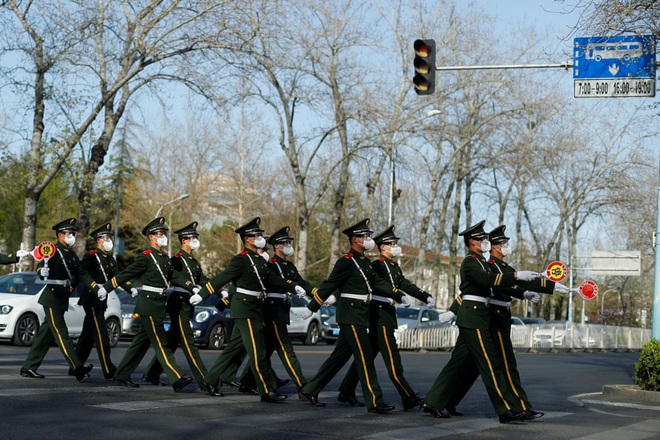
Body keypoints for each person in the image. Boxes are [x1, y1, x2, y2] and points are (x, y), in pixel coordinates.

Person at [421, 220, 541, 424]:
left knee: (457, 364)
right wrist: (517, 275)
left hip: (477, 316)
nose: (486, 241)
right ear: (472, 242)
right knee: (490, 363)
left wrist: (528, 288)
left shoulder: (482, 262)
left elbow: (500, 283)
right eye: (482, 238)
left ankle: (434, 402)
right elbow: (488, 281)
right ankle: (504, 409)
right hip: (473, 317)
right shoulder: (470, 262)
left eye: (486, 238)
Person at [443, 224, 569, 420]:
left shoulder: (497, 266)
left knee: (467, 366)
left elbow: (519, 282)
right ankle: (513, 407)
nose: (506, 245)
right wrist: (452, 311)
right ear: (493, 246)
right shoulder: (486, 265)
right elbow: (471, 290)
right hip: (490, 319)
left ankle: (442, 401)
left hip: (493, 317)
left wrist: (549, 287)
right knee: (495, 366)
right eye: (502, 243)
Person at [190, 217, 308, 402]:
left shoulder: (259, 260)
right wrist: (203, 294)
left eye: (261, 234)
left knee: (234, 348)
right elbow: (222, 278)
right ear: (247, 239)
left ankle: (210, 380)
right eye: (257, 235)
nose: (261, 237)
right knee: (257, 350)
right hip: (244, 309)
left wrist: (293, 287)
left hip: (255, 309)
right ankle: (266, 390)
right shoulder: (241, 260)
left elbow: (273, 279)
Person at [299, 218, 405, 414]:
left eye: (368, 235)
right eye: (365, 236)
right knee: (365, 357)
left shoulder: (365, 262)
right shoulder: (346, 262)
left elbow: (378, 284)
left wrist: (399, 295)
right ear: (355, 239)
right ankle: (374, 401)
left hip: (359, 314)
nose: (369, 239)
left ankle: (310, 389)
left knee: (338, 357)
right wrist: (313, 306)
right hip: (350, 315)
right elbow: (329, 285)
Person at [335, 225, 433, 411]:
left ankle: (346, 390)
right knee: (392, 359)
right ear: (383, 247)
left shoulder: (393, 266)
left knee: (366, 358)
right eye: (392, 243)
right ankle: (407, 395)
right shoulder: (377, 265)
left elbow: (405, 284)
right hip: (379, 315)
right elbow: (373, 285)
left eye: (396, 242)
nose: (396, 246)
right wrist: (398, 295)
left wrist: (425, 296)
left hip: (384, 315)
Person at [97, 217, 195, 393]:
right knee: (160, 341)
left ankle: (121, 374)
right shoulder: (146, 257)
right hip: (148, 304)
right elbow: (126, 274)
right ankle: (176, 376)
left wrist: (193, 288)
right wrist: (106, 287)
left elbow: (175, 277)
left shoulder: (164, 258)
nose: (163, 236)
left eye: (164, 233)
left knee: (140, 343)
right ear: (151, 237)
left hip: (158, 304)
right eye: (160, 234)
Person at [237, 226, 314, 396]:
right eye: (285, 243)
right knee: (286, 350)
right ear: (277, 246)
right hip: (271, 311)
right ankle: (303, 385)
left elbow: (302, 283)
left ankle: (247, 381)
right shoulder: (270, 265)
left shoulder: (289, 266)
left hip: (281, 311)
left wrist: (318, 295)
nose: (288, 245)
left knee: (264, 350)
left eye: (289, 242)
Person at [20, 218, 99, 381]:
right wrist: (42, 272)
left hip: (62, 297)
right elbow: (42, 265)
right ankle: (77, 367)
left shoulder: (71, 254)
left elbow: (81, 274)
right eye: (69, 233)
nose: (71, 236)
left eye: (73, 233)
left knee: (45, 335)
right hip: (52, 298)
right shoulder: (53, 250)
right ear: (60, 235)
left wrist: (97, 288)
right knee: (62, 333)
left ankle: (28, 367)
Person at [141, 222, 214, 390]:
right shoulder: (176, 259)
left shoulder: (193, 261)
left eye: (196, 237)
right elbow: (173, 278)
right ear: (184, 241)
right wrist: (192, 287)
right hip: (179, 303)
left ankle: (152, 373)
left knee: (173, 340)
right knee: (189, 343)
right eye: (192, 237)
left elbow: (202, 279)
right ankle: (205, 380)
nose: (196, 240)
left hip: (188, 303)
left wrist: (218, 291)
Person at [74, 223, 134, 380]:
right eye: (106, 238)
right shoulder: (91, 257)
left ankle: (75, 366)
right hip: (91, 298)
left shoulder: (109, 260)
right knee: (102, 335)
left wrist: (131, 288)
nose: (109, 241)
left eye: (110, 238)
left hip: (102, 298)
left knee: (87, 336)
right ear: (98, 240)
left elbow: (118, 277)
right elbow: (79, 273)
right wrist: (70, 287)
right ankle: (108, 369)